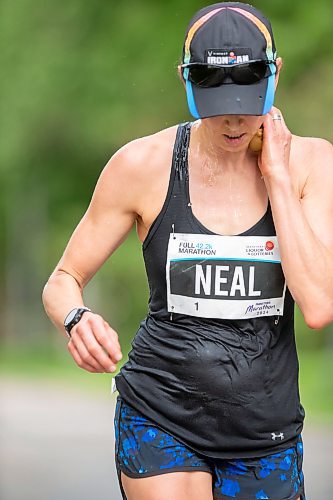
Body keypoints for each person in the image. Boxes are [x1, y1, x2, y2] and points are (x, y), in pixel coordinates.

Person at [42, 2, 333, 499]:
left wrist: (278, 180)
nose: (235, 122)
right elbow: (62, 279)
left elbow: (319, 304)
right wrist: (76, 318)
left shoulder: (312, 164)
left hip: (266, 430)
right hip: (160, 413)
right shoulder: (143, 165)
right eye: (218, 105)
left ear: (274, 75)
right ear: (188, 83)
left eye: (248, 100)